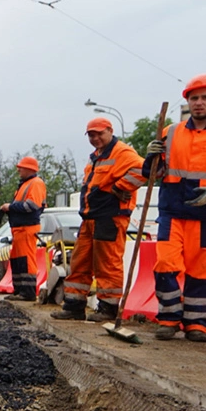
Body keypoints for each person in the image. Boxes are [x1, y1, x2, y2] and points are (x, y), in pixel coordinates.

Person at [52, 118, 145, 322]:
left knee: (108, 263)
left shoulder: (122, 152)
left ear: (110, 131)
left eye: (99, 133)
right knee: (80, 261)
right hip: (91, 216)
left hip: (110, 216)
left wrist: (120, 188)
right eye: (91, 135)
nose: (95, 138)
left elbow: (143, 170)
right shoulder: (96, 156)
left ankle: (108, 308)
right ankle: (74, 305)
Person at [145, 74, 206, 342]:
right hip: (172, 211)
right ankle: (169, 317)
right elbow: (153, 173)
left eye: (204, 98)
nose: (200, 103)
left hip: (203, 216)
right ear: (188, 102)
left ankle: (196, 323)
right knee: (165, 264)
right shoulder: (170, 132)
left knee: (199, 269)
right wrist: (150, 156)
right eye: (195, 98)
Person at [0, 157, 47, 301]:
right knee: (18, 260)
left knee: (26, 261)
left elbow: (31, 206)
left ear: (29, 169)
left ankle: (28, 292)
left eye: (21, 167)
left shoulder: (36, 184)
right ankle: (19, 290)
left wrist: (10, 207)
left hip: (27, 229)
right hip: (20, 229)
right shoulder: (26, 184)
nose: (18, 170)